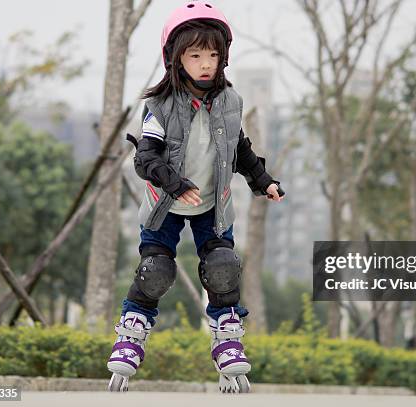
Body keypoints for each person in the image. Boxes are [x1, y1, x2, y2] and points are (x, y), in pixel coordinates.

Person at [107, 1, 284, 393]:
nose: (206, 63)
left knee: (222, 266)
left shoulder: (230, 103)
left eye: (213, 54)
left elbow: (240, 150)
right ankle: (131, 332)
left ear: (224, 57)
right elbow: (146, 157)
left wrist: (264, 181)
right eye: (196, 54)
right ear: (176, 59)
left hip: (213, 205)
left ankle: (227, 338)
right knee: (156, 271)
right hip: (165, 206)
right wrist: (175, 184)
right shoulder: (160, 107)